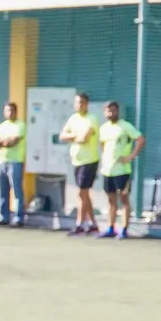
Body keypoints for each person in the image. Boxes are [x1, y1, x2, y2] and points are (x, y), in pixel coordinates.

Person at [97, 101, 145, 239]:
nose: (110, 113)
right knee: (111, 200)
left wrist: (131, 156)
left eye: (113, 110)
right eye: (108, 111)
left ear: (117, 111)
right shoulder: (104, 128)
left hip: (122, 171)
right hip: (108, 170)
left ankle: (124, 229)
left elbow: (140, 139)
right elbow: (102, 145)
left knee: (124, 199)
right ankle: (111, 228)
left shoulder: (125, 126)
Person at [59, 92, 101, 236]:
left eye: (82, 102)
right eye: (77, 102)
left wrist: (72, 137)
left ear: (87, 104)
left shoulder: (92, 119)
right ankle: (93, 224)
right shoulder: (73, 118)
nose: (79, 105)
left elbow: (85, 139)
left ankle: (80, 224)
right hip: (76, 161)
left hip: (89, 161)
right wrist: (76, 136)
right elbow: (62, 136)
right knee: (84, 194)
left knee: (81, 193)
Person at [0, 101, 27, 228]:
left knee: (16, 191)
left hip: (15, 161)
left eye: (12, 110)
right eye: (7, 110)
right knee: (2, 192)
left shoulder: (20, 125)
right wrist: (3, 141)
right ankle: (4, 217)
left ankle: (18, 217)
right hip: (1, 161)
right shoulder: (2, 126)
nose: (10, 113)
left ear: (16, 111)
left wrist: (2, 142)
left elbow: (13, 142)